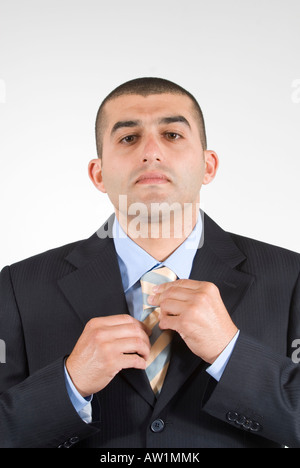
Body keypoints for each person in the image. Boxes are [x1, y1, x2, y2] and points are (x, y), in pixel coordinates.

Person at [0, 77, 299, 449]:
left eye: (172, 135)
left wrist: (230, 351)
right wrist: (70, 383)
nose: (151, 152)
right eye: (129, 138)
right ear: (98, 174)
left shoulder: (290, 277)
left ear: (209, 165)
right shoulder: (18, 286)